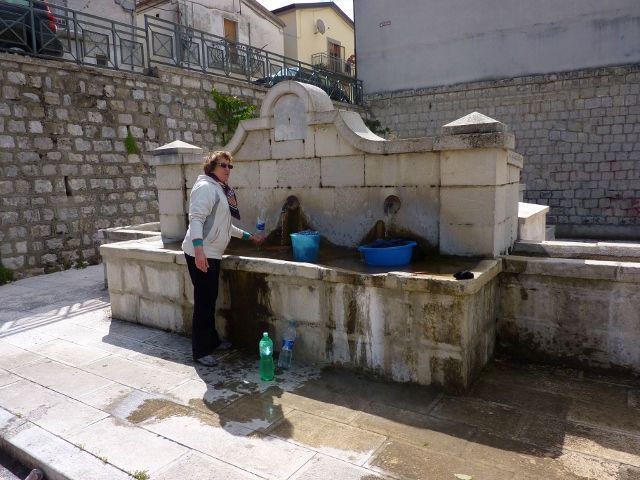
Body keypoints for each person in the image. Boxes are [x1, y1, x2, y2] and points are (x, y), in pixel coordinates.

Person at [182, 151, 264, 367]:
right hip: (203, 252)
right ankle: (200, 351)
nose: (227, 169)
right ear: (211, 167)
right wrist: (199, 252)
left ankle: (212, 341)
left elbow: (225, 226)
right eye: (223, 165)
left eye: (230, 166)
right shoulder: (205, 188)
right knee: (204, 302)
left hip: (211, 252)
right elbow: (196, 219)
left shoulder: (219, 188)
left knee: (210, 299)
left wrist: (249, 237)